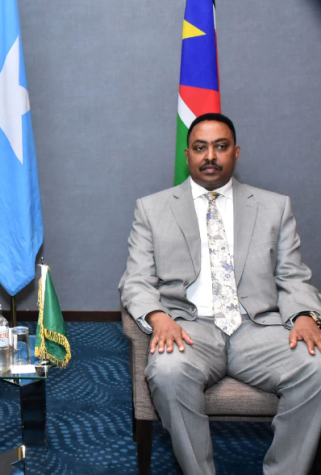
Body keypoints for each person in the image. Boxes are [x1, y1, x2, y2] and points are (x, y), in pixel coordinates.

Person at [119, 113, 321, 475]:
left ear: (236, 152)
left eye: (220, 146)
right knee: (167, 372)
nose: (210, 155)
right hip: (189, 328)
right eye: (200, 148)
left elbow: (292, 275)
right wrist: (158, 317)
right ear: (188, 155)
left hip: (258, 327)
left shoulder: (274, 207)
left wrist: (305, 315)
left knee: (318, 365)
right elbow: (136, 280)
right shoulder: (152, 208)